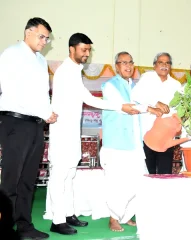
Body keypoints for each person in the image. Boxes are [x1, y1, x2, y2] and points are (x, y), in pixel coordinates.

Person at [46, 33, 138, 235]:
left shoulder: (75, 70)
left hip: (71, 130)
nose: (87, 54)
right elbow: (89, 98)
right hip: (61, 130)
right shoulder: (66, 71)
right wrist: (121, 107)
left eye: (89, 50)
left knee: (70, 174)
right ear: (72, 49)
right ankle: (57, 219)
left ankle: (69, 214)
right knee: (60, 175)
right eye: (83, 50)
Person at [0, 17, 57, 240]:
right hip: (15, 121)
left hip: (35, 124)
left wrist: (48, 112)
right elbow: (12, 91)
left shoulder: (41, 60)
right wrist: (44, 113)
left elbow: (41, 94)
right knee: (11, 180)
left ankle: (24, 226)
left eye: (47, 38)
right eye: (42, 36)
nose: (45, 41)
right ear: (28, 33)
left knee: (28, 179)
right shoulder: (12, 54)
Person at [100, 51, 147, 231]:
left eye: (130, 62)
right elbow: (127, 109)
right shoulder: (110, 85)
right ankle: (113, 218)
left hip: (135, 144)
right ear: (116, 66)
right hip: (117, 145)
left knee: (139, 181)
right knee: (118, 183)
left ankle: (126, 215)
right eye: (123, 63)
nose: (128, 66)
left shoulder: (135, 87)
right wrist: (151, 107)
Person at [131, 52, 182, 174]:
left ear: (170, 66)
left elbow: (178, 109)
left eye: (167, 63)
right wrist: (156, 103)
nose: (164, 65)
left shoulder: (176, 84)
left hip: (166, 136)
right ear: (154, 65)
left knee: (165, 173)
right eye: (161, 62)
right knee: (148, 172)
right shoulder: (147, 78)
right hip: (147, 133)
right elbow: (135, 95)